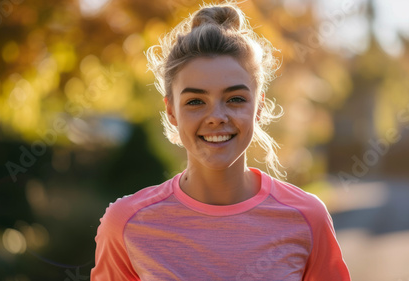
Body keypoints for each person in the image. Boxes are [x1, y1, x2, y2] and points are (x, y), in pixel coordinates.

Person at [91, 2, 351, 280]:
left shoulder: (308, 218)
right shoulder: (126, 224)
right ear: (171, 112)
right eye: (195, 101)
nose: (216, 117)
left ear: (259, 106)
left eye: (235, 99)